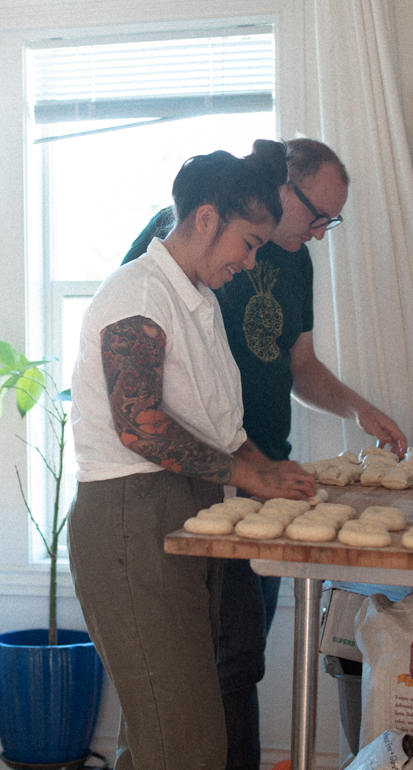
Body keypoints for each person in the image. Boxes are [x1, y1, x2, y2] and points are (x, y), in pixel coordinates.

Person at [121, 137, 407, 770]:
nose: (321, 232)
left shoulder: (294, 262)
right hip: (202, 482)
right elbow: (140, 389)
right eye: (317, 216)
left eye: (333, 220)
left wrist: (357, 409)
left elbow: (297, 366)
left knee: (241, 660)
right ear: (279, 192)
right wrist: (241, 469)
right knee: (208, 669)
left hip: (263, 473)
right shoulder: (169, 260)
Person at [69, 143, 320, 770]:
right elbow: (143, 427)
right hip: (131, 520)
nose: (250, 259)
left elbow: (221, 428)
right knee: (187, 747)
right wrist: (246, 474)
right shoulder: (138, 293)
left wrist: (270, 473)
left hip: (184, 514)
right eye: (250, 242)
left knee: (159, 733)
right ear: (205, 218)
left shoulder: (198, 300)